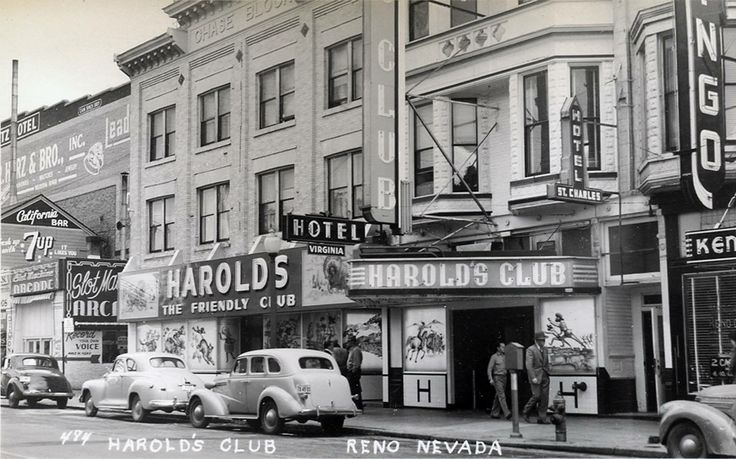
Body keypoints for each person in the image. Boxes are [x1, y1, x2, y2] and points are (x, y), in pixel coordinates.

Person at [523, 331, 551, 424]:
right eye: (541, 340)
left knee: (544, 397)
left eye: (544, 340)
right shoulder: (530, 349)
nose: (543, 342)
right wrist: (533, 377)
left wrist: (548, 370)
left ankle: (542, 418)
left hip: (545, 375)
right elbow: (529, 365)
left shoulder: (545, 349)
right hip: (536, 376)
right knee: (536, 395)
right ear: (536, 340)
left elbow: (547, 362)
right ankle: (525, 411)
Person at [487, 342, 511, 420]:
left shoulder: (505, 356)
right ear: (498, 348)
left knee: (498, 395)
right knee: (502, 395)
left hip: (504, 377)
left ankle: (494, 413)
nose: (504, 349)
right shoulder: (494, 357)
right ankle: (507, 413)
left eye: (504, 347)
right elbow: (489, 368)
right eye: (502, 347)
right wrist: (490, 378)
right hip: (497, 377)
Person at [346, 336, 364, 410]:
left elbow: (356, 363)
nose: (348, 343)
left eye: (349, 341)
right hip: (352, 371)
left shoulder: (356, 350)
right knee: (353, 388)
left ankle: (358, 405)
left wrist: (353, 371)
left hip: (353, 372)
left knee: (354, 389)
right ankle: (356, 404)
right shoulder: (352, 350)